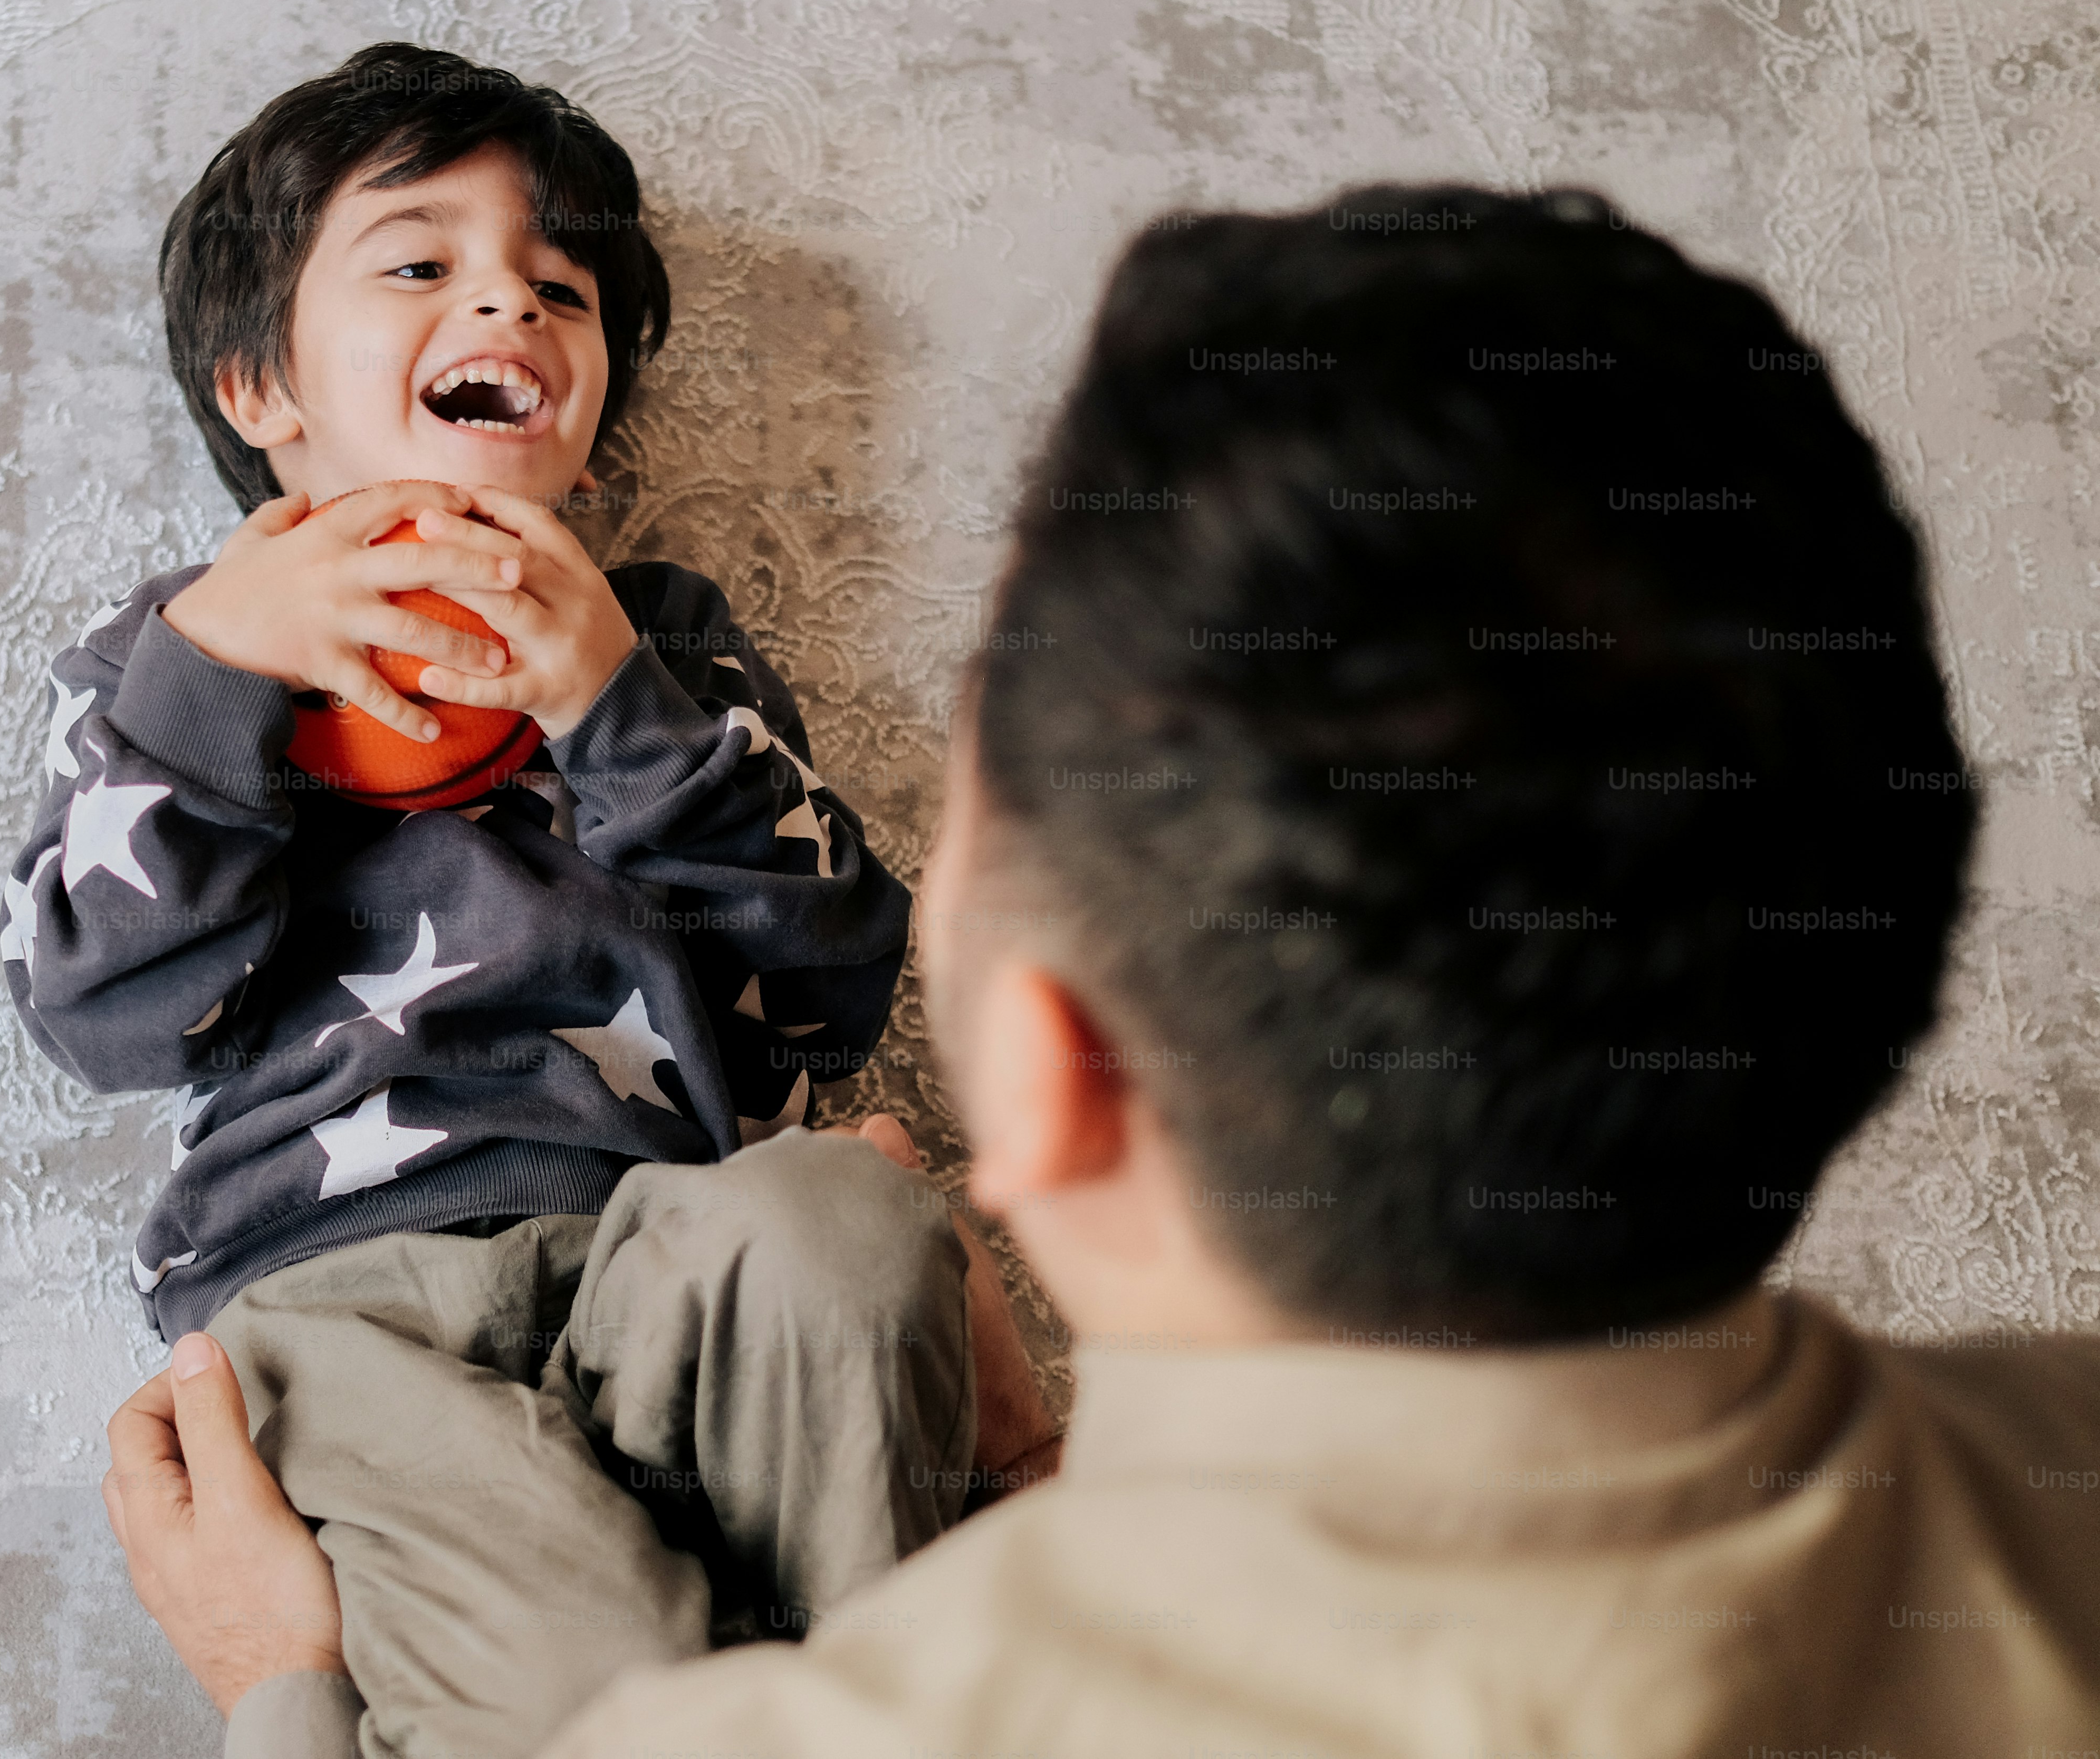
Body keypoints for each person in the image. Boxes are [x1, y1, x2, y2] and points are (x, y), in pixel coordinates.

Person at [107, 184, 2100, 1756]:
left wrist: (287, 1689)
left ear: (1039, 1074)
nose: (509, 305)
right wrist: (1037, 1467)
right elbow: (106, 976)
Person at [4, 42, 1057, 1759]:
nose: (507, 298)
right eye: (421, 262)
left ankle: (887, 1694)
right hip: (346, 1308)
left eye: (556, 286)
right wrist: (216, 683)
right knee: (591, 1670)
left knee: (850, 1225)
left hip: (672, 1254)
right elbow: (98, 1013)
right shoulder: (162, 660)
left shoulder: (666, 644)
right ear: (264, 387)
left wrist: (615, 699)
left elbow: (839, 981)